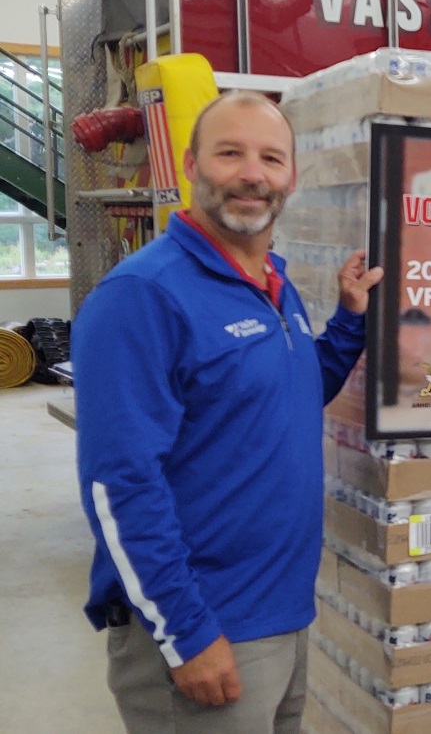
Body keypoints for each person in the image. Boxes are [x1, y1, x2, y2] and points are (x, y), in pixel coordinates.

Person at [73, 90, 384, 733]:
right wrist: (186, 633)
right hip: (208, 629)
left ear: (290, 177)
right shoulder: (143, 296)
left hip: (284, 615)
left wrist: (349, 322)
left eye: (271, 158)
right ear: (190, 164)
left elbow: (291, 393)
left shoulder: (272, 281)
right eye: (230, 153)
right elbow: (120, 484)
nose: (252, 173)